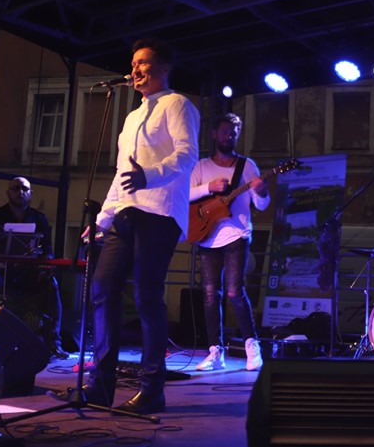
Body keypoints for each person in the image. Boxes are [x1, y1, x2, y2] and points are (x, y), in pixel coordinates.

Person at [53, 38, 199, 415]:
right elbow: (122, 175)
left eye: (143, 63)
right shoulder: (132, 116)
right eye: (133, 64)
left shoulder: (177, 104)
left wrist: (150, 175)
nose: (135, 70)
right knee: (102, 286)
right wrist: (102, 219)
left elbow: (187, 155)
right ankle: (101, 385)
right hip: (126, 213)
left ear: (164, 67)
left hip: (160, 212)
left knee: (147, 294)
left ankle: (152, 390)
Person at [190, 113, 269, 372]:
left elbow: (261, 205)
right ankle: (215, 351)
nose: (229, 136)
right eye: (225, 131)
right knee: (210, 294)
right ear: (214, 134)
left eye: (234, 132)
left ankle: (252, 346)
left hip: (237, 235)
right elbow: (186, 195)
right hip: (207, 237)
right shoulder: (201, 166)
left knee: (234, 291)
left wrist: (262, 192)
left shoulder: (247, 166)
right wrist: (209, 187)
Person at [0, 176, 68, 362]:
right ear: (8, 193)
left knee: (52, 285)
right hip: (1, 272)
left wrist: (44, 266)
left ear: (30, 194)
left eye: (25, 189)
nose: (20, 192)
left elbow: (48, 250)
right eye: (15, 188)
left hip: (29, 273)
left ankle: (54, 342)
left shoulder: (39, 218)